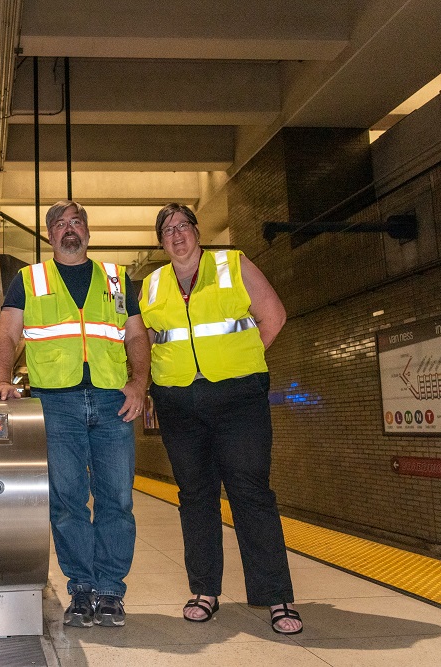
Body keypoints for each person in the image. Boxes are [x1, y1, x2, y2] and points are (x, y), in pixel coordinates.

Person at [139, 203, 302, 634]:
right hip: (178, 404)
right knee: (195, 496)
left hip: (237, 401)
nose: (176, 235)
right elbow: (145, 339)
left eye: (182, 226)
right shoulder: (152, 284)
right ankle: (205, 591)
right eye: (167, 230)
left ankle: (277, 598)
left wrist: (243, 365)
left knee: (250, 492)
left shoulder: (233, 263)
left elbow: (274, 316)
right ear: (160, 242)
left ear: (197, 231)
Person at [0, 200, 150, 628]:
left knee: (117, 498)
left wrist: (139, 384)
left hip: (114, 400)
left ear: (88, 231)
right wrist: (3, 377)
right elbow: (6, 332)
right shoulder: (30, 278)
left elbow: (136, 335)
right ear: (50, 236)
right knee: (67, 501)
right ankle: (82, 588)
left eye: (76, 222)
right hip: (55, 404)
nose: (69, 229)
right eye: (59, 224)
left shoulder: (115, 279)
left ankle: (111, 589)